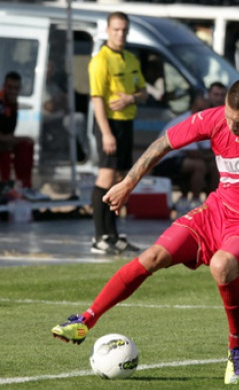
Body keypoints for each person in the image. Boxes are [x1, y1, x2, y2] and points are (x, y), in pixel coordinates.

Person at [50, 78, 239, 385]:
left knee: (222, 265)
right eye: (228, 118)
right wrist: (128, 183)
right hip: (216, 211)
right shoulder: (215, 119)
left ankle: (238, 342)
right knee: (153, 256)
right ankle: (84, 320)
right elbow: (163, 144)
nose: (232, 127)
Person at [88, 11, 148, 255]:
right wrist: (106, 133)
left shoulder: (131, 59)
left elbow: (144, 92)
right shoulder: (100, 60)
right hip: (109, 124)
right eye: (116, 29)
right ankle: (99, 237)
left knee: (120, 179)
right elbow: (97, 99)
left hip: (126, 122)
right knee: (105, 177)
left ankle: (113, 235)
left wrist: (130, 98)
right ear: (107, 30)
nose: (120, 34)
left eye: (124, 29)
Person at [153, 91, 213, 216]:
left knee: (214, 165)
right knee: (199, 165)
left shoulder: (202, 121)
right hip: (164, 162)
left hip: (180, 160)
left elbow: (207, 149)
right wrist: (214, 156)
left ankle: (213, 204)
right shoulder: (186, 121)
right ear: (196, 103)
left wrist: (214, 157)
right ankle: (195, 202)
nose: (208, 101)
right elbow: (193, 153)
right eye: (204, 98)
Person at [0, 71, 45, 201]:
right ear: (4, 86)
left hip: (0, 139)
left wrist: (13, 139)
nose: (12, 91)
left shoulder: (10, 103)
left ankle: (23, 185)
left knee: (25, 144)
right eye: (10, 87)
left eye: (16, 88)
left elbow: (6, 131)